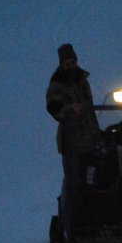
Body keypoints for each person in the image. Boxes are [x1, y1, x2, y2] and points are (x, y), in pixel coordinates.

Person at [46, 43, 100, 190]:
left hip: (91, 137)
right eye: (68, 63)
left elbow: (89, 106)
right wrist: (68, 110)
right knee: (76, 181)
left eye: (73, 62)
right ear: (62, 64)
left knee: (95, 177)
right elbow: (53, 107)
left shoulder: (82, 81)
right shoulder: (57, 84)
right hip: (72, 140)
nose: (71, 66)